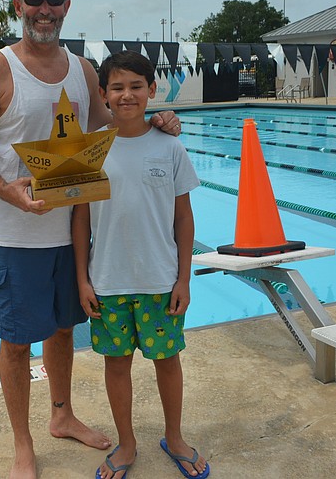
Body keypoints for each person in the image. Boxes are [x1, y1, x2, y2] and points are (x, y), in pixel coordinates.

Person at [0, 0, 182, 479]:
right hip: (14, 234)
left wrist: (158, 121)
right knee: (16, 341)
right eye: (35, 0)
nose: (45, 10)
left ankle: (62, 416)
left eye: (55, 0)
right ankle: (22, 445)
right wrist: (9, 192)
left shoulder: (82, 71)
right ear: (19, 6)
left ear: (66, 7)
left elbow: (112, 128)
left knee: (62, 330)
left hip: (71, 233)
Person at [72, 50, 209, 479]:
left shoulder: (169, 147)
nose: (127, 95)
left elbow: (183, 217)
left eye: (136, 86)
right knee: (117, 364)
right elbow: (80, 220)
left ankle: (175, 435)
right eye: (117, 87)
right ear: (103, 94)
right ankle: (126, 444)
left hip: (159, 280)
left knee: (168, 361)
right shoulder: (90, 150)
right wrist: (82, 279)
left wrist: (184, 278)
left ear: (152, 91)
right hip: (109, 280)